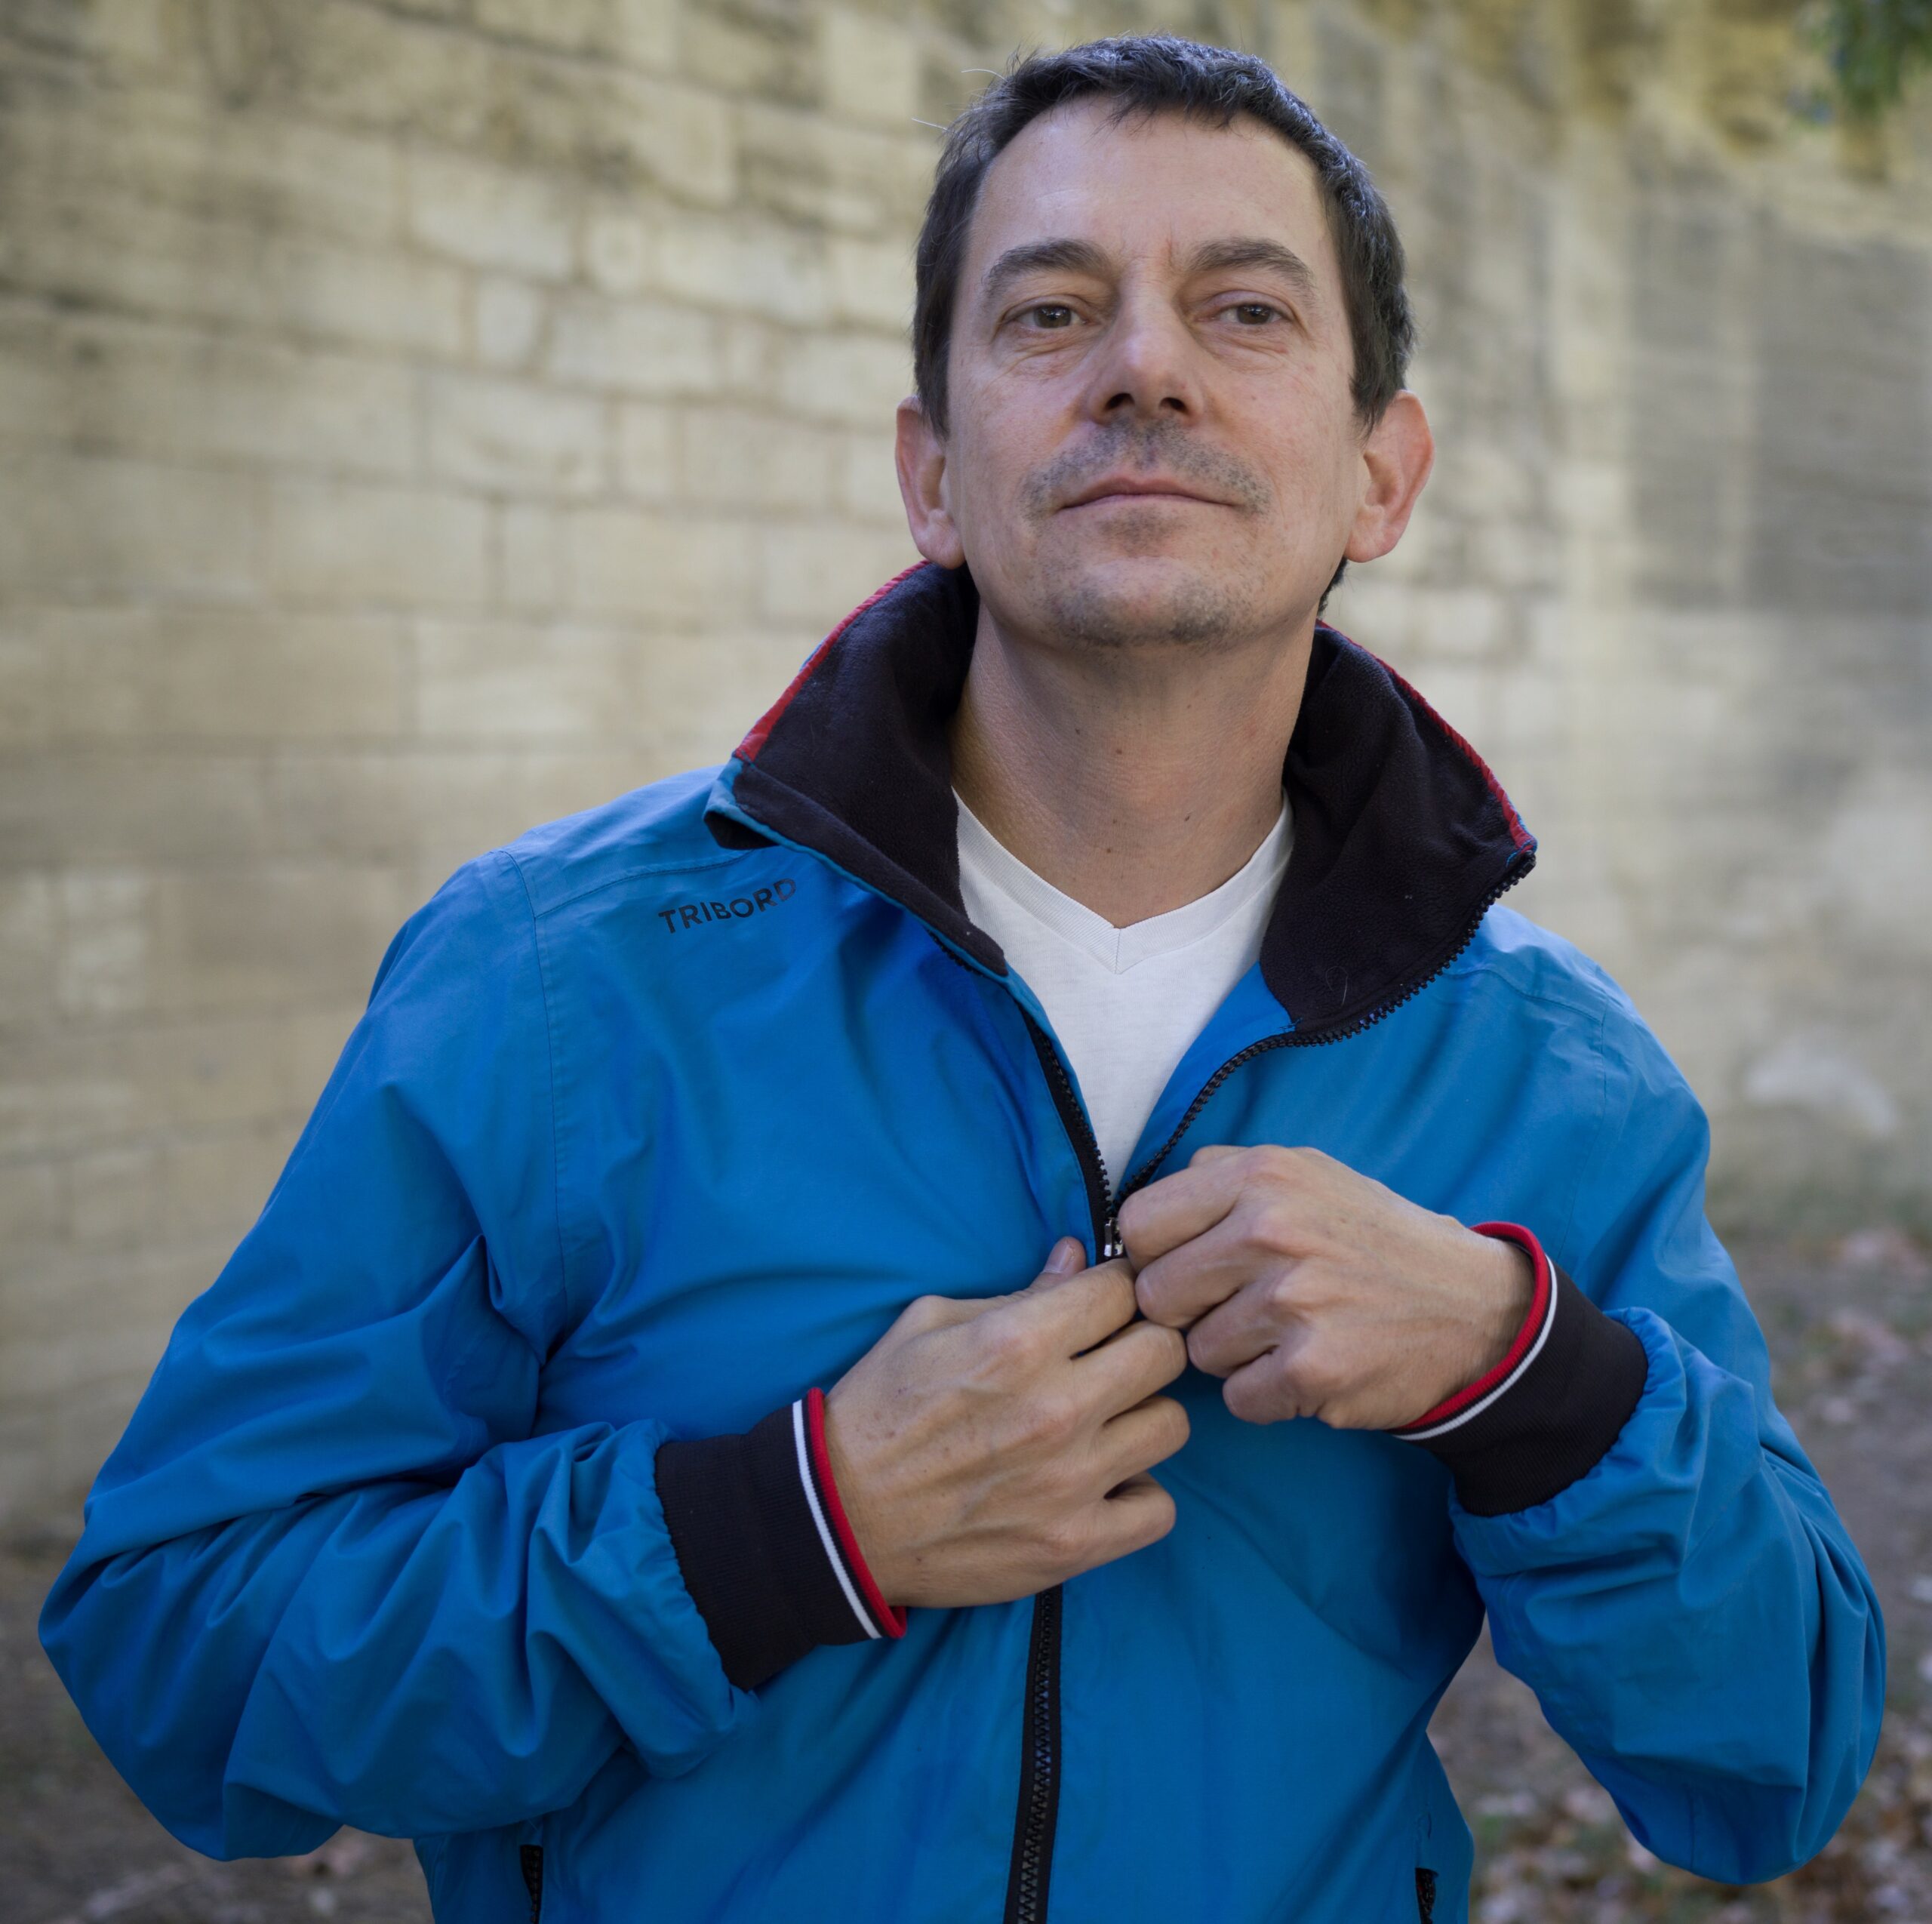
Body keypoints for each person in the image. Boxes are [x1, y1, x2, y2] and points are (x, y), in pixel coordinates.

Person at [42, 34, 1881, 1924]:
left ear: (1377, 476)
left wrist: (1523, 1369)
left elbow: (1770, 1764)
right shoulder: (557, 983)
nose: (1143, 366)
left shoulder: (1550, 1077)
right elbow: (181, 1656)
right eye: (1050, 312)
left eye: (1243, 311)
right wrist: (781, 1529)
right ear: (931, 472)